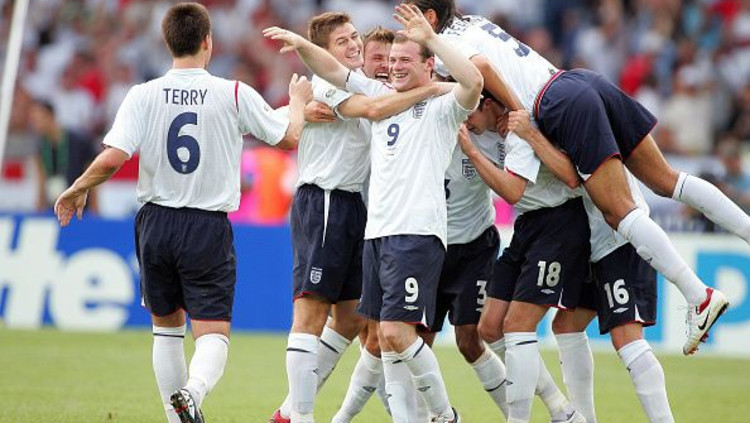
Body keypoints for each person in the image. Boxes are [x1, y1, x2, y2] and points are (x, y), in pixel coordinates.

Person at [413, 0, 733, 356]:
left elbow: (482, 69)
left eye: (407, 15)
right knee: (668, 181)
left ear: (430, 18)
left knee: (618, 211)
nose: (404, 27)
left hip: (553, 104)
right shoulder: (471, 22)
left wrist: (519, 114)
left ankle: (698, 295)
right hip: (575, 80)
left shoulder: (445, 49)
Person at [54, 3, 312, 423]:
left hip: (155, 223)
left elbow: (114, 157)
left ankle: (178, 418)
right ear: (208, 42)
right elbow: (288, 137)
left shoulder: (142, 94)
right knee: (213, 333)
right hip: (206, 224)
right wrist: (298, 102)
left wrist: (77, 187)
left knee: (166, 330)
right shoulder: (232, 92)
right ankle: (192, 392)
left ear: (167, 42)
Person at [264, 4, 483, 422]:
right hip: (368, 229)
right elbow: (334, 74)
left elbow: (473, 82)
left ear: (428, 64)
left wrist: (432, 43)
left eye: (403, 60)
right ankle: (303, 413)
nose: (392, 67)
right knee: (377, 335)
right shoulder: (377, 95)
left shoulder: (444, 106)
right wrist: (300, 47)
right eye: (388, 60)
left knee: (389, 333)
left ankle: (441, 414)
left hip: (414, 231)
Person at [511, 110, 676, 423]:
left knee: (626, 336)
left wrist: (531, 135)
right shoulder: (567, 117)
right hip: (591, 241)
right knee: (566, 325)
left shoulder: (583, 122)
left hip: (619, 237)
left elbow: (572, 175)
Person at [459, 97, 589, 423]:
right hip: (526, 226)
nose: (466, 120)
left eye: (471, 111)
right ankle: (562, 409)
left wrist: (473, 153)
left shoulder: (523, 125)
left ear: (489, 104)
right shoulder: (483, 129)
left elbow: (514, 191)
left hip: (559, 223)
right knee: (489, 327)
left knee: (518, 326)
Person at [29, 100, 98, 213]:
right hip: (54, 207)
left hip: (80, 207)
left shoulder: (79, 142)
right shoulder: (41, 146)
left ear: (49, 116)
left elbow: (92, 176)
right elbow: (41, 180)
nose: (34, 125)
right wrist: (39, 210)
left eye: (37, 120)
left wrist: (94, 209)